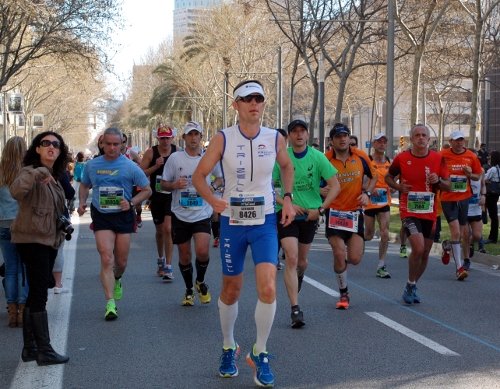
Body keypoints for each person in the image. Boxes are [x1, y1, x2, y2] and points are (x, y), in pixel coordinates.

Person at [191, 80, 295, 387]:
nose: (254, 104)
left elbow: (287, 167)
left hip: (263, 221)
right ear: (235, 105)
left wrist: (287, 197)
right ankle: (228, 345)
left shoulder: (275, 138)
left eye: (259, 99)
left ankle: (259, 352)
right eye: (247, 99)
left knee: (268, 289)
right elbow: (199, 176)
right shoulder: (223, 138)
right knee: (231, 290)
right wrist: (212, 199)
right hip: (232, 222)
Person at [78, 127, 152, 320]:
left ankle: (117, 278)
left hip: (123, 216)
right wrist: (82, 202)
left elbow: (147, 190)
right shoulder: (92, 165)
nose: (111, 148)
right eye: (108, 144)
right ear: (102, 144)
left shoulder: (130, 166)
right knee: (106, 258)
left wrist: (132, 202)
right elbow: (85, 185)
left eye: (115, 144)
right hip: (102, 215)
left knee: (120, 262)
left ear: (122, 145)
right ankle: (110, 303)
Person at [10, 131, 70, 365]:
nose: (51, 147)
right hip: (33, 240)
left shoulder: (55, 176)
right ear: (37, 148)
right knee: (38, 294)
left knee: (39, 289)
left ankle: (30, 348)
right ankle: (44, 350)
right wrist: (37, 173)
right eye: (45, 143)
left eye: (56, 144)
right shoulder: (30, 172)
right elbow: (16, 191)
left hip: (48, 240)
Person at [273, 119, 339, 328]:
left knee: (301, 262)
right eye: (295, 131)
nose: (299, 135)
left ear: (307, 135)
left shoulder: (317, 157)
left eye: (302, 131)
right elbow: (269, 188)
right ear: (289, 136)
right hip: (286, 215)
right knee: (291, 258)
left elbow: (335, 186)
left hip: (309, 217)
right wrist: (286, 204)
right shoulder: (281, 158)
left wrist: (320, 210)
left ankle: (299, 274)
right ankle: (295, 309)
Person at [385, 124, 450, 304]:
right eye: (417, 135)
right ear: (411, 139)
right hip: (409, 210)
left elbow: (448, 185)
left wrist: (438, 180)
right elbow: (388, 177)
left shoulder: (438, 159)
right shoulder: (402, 158)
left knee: (426, 253)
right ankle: (411, 285)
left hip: (430, 212)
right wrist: (398, 187)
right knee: (419, 248)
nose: (421, 138)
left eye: (424, 135)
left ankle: (411, 284)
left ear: (429, 140)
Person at [161, 121, 222, 305]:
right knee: (185, 255)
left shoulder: (209, 157)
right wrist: (173, 185)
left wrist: (212, 186)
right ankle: (189, 289)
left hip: (202, 212)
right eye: (190, 134)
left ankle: (200, 281)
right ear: (184, 137)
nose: (193, 138)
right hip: (180, 213)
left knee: (203, 251)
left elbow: (219, 178)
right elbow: (162, 184)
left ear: (201, 137)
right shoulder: (175, 159)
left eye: (197, 134)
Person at [324, 123, 377, 309]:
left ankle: (341, 267)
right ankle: (343, 293)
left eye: (345, 135)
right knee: (339, 254)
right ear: (332, 141)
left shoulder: (361, 156)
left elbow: (374, 176)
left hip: (355, 213)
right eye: (338, 136)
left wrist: (367, 193)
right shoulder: (326, 159)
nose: (343, 139)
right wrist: (324, 192)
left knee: (354, 259)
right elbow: (316, 184)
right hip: (335, 213)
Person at [439, 130, 482, 280]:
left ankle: (447, 246)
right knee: (456, 232)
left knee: (461, 232)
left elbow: (478, 175)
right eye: (456, 140)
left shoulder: (471, 156)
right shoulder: (442, 155)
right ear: (450, 141)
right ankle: (459, 268)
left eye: (462, 140)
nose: (459, 142)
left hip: (464, 198)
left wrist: (470, 175)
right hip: (448, 198)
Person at [140, 125, 179, 279]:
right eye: (162, 138)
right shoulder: (151, 152)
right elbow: (141, 172)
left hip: (172, 194)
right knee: (160, 230)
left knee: (169, 229)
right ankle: (161, 258)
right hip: (156, 195)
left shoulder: (177, 151)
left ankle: (169, 266)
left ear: (172, 138)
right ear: (158, 138)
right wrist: (155, 166)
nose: (165, 141)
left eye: (167, 137)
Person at [0, 137, 28, 328]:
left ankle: (12, 311)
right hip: (24, 225)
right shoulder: (27, 172)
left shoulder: (1, 172)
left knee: (10, 269)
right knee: (23, 269)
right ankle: (23, 309)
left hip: (4, 224)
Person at [364, 133, 394, 278]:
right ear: (373, 144)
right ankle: (355, 242)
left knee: (384, 232)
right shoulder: (367, 161)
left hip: (384, 202)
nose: (382, 144)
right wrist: (370, 188)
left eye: (384, 142)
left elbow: (394, 178)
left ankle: (381, 265)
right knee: (369, 235)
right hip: (370, 201)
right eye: (379, 142)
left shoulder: (389, 161)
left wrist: (393, 186)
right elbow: (361, 182)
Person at [52, 170, 75, 294]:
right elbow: (70, 193)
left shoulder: (29, 170)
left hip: (34, 218)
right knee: (58, 249)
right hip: (58, 217)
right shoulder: (58, 171)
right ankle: (57, 283)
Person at [462, 173, 486, 270]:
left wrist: (483, 195)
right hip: (463, 209)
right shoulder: (461, 171)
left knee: (477, 236)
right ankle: (466, 260)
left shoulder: (480, 171)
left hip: (476, 209)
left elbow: (483, 185)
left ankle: (471, 243)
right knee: (466, 235)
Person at [121, 133, 144, 227]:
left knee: (137, 206)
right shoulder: (114, 153)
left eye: (124, 142)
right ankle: (131, 221)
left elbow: (142, 164)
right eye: (120, 142)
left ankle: (138, 215)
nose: (122, 144)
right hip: (122, 185)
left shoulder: (130, 152)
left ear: (126, 142)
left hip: (134, 184)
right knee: (127, 205)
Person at [484, 150, 500, 244]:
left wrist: (486, 180)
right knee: (494, 215)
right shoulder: (498, 168)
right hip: (496, 193)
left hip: (490, 193)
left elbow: (484, 178)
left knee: (492, 215)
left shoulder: (493, 169)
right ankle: (494, 236)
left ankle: (492, 237)